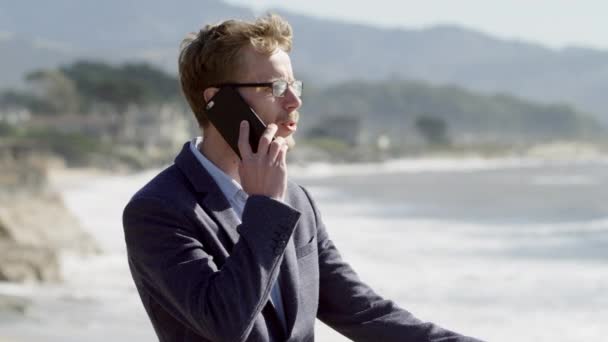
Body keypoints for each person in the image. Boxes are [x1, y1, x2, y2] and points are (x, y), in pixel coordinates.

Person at [122, 14, 483, 342]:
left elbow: (363, 312)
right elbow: (225, 322)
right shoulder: (158, 210)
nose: (294, 101)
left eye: (295, 85)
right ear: (217, 101)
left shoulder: (297, 200)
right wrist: (264, 206)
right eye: (275, 88)